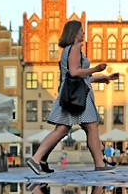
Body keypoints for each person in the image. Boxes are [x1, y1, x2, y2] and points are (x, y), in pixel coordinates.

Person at [26, 20, 119, 175]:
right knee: (91, 125)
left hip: (73, 93)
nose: (84, 32)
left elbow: (77, 77)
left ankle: (38, 159)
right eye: (81, 30)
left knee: (63, 128)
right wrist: (95, 69)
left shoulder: (69, 50)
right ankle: (99, 163)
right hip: (78, 96)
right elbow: (74, 72)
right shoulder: (75, 48)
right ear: (74, 32)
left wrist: (103, 78)